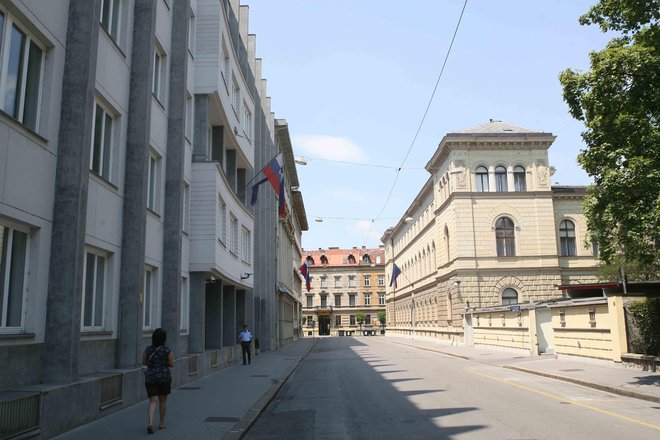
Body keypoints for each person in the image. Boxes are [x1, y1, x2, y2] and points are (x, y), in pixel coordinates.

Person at [143, 328, 175, 434]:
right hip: (164, 378)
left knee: (153, 401)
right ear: (164, 339)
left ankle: (150, 423)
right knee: (163, 401)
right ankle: (161, 423)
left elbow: (144, 362)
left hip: (151, 378)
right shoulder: (167, 350)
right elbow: (172, 364)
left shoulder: (148, 350)